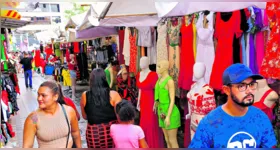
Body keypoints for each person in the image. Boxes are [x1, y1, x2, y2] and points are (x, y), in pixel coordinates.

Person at [189, 63, 277, 148]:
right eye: (242, 86)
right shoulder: (210, 122)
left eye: (251, 84)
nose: (249, 90)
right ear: (226, 90)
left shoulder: (260, 118)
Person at [23, 81, 81, 148]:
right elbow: (27, 146)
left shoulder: (68, 111)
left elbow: (75, 133)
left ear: (55, 97)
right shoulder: (34, 118)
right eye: (38, 95)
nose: (39, 98)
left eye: (43, 95)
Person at [80, 68, 122, 148]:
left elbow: (85, 116)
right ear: (104, 79)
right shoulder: (113, 95)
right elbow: (120, 117)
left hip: (93, 134)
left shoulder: (84, 95)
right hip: (112, 132)